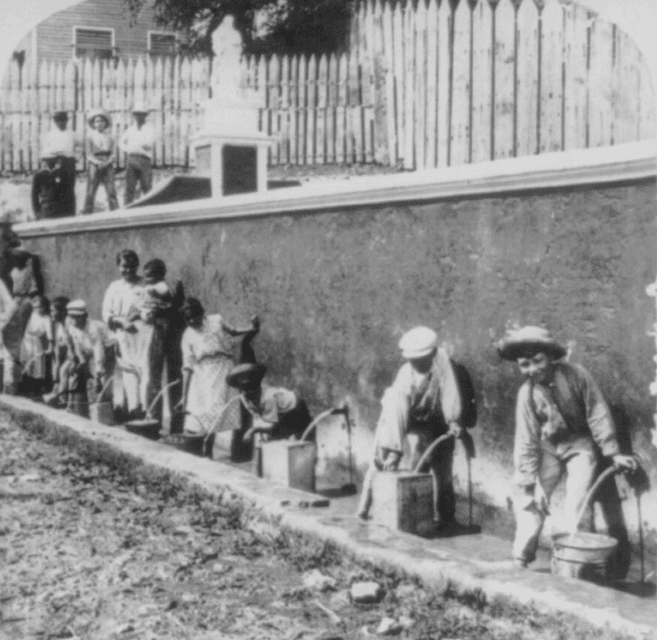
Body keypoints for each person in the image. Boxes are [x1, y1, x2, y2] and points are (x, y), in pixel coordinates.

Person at [496, 326, 638, 570]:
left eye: (538, 361)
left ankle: (575, 566)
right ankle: (520, 557)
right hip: (548, 447)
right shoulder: (526, 394)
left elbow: (597, 413)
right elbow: (526, 441)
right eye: (524, 364)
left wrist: (613, 453)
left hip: (580, 445)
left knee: (578, 503)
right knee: (531, 503)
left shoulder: (576, 375)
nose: (533, 369)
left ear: (551, 356)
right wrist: (531, 484)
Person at [357, 326, 465, 532]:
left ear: (432, 354)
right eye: (413, 360)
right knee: (398, 465)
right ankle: (371, 511)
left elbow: (450, 392)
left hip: (434, 420)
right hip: (406, 420)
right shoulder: (404, 376)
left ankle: (446, 519)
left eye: (422, 359)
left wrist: (454, 421)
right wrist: (393, 451)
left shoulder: (442, 362)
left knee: (442, 470)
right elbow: (397, 416)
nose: (417, 364)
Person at [178, 298, 259, 441]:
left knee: (221, 410)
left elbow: (233, 331)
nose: (191, 322)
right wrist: (184, 396)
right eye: (187, 319)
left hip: (223, 369)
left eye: (194, 317)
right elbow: (187, 367)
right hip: (203, 374)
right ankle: (204, 446)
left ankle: (213, 445)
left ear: (201, 313)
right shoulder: (188, 335)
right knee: (204, 412)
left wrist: (251, 328)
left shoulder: (216, 320)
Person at [101, 249, 145, 419]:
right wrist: (119, 321)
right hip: (121, 335)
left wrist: (136, 319)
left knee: (141, 372)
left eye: (132, 266)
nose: (128, 270)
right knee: (125, 371)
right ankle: (128, 409)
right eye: (124, 266)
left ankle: (141, 410)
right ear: (118, 266)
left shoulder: (144, 285)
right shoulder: (115, 287)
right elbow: (106, 311)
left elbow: (147, 309)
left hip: (141, 336)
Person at [42, 111, 78, 216]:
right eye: (58, 121)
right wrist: (47, 161)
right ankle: (57, 213)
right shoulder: (50, 134)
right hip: (53, 161)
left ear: (67, 121)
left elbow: (80, 147)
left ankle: (70, 213)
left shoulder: (72, 134)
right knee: (56, 186)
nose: (61, 123)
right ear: (55, 122)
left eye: (63, 121)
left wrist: (76, 158)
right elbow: (45, 149)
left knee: (69, 187)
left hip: (68, 162)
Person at [83, 109, 118, 214]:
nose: (100, 124)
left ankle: (116, 213)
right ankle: (87, 214)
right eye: (97, 121)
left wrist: (108, 161)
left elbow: (113, 153)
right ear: (93, 124)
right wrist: (97, 163)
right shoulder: (90, 136)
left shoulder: (110, 136)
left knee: (111, 190)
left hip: (108, 163)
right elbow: (88, 154)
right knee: (91, 190)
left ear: (106, 123)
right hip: (95, 164)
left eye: (102, 121)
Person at [119, 104, 155, 206]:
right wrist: (128, 149)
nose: (138, 117)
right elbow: (121, 142)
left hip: (144, 160)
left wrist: (139, 139)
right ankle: (126, 211)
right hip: (132, 159)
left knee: (147, 187)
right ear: (134, 116)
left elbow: (149, 144)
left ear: (145, 116)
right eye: (136, 114)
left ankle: (150, 211)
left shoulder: (149, 129)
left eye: (141, 114)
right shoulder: (130, 130)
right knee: (129, 188)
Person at [19, 295, 53, 397]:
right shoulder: (31, 315)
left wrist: (50, 346)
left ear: (45, 307)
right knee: (25, 363)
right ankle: (24, 386)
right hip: (27, 340)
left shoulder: (46, 318)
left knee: (37, 365)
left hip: (37, 343)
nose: (38, 309)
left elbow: (49, 333)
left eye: (40, 307)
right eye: (36, 307)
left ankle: (36, 388)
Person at [31, 150, 65, 219]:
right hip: (45, 210)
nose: (51, 162)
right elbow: (34, 196)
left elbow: (65, 193)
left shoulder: (60, 173)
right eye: (48, 159)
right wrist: (37, 213)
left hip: (59, 211)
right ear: (45, 160)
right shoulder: (39, 175)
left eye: (53, 159)